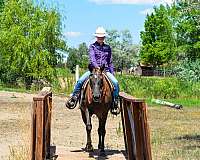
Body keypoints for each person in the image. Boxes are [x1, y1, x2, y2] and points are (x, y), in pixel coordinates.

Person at [66, 26, 119, 109]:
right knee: (80, 81)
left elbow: (109, 61)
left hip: (105, 70)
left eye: (101, 37)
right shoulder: (92, 47)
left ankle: (115, 101)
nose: (100, 38)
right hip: (93, 70)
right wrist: (97, 67)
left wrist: (112, 73)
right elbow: (92, 58)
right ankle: (74, 98)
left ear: (104, 37)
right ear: (96, 37)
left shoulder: (108, 48)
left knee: (115, 83)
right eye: (99, 37)